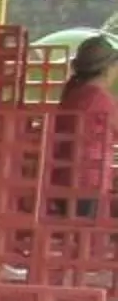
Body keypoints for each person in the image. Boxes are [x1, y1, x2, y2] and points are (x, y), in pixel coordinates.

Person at [54, 35, 117, 216]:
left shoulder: (72, 95)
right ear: (107, 69)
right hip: (89, 181)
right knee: (88, 239)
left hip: (63, 180)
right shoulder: (101, 99)